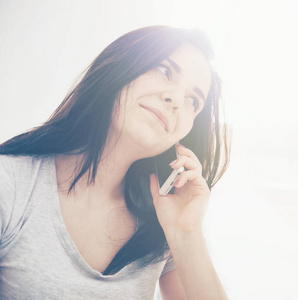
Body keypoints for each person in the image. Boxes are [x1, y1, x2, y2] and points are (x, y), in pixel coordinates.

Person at [0, 26, 230, 299]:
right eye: (165, 70)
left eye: (193, 100)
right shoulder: (12, 183)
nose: (176, 100)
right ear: (121, 66)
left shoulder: (163, 224)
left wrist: (186, 233)